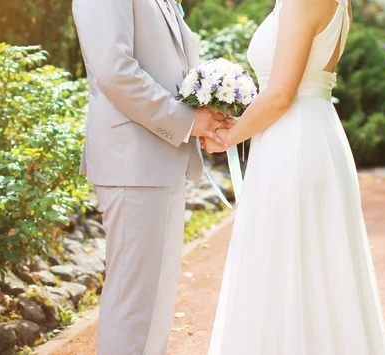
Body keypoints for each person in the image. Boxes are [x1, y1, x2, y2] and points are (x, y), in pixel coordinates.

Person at [202, 0, 385, 353]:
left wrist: (228, 137)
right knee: (320, 268)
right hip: (315, 134)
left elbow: (279, 96)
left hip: (292, 143)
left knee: (284, 266)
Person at [71, 0, 231, 354]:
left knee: (155, 303)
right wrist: (186, 120)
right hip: (132, 160)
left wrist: (207, 108)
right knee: (132, 307)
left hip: (162, 158)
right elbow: (114, 70)